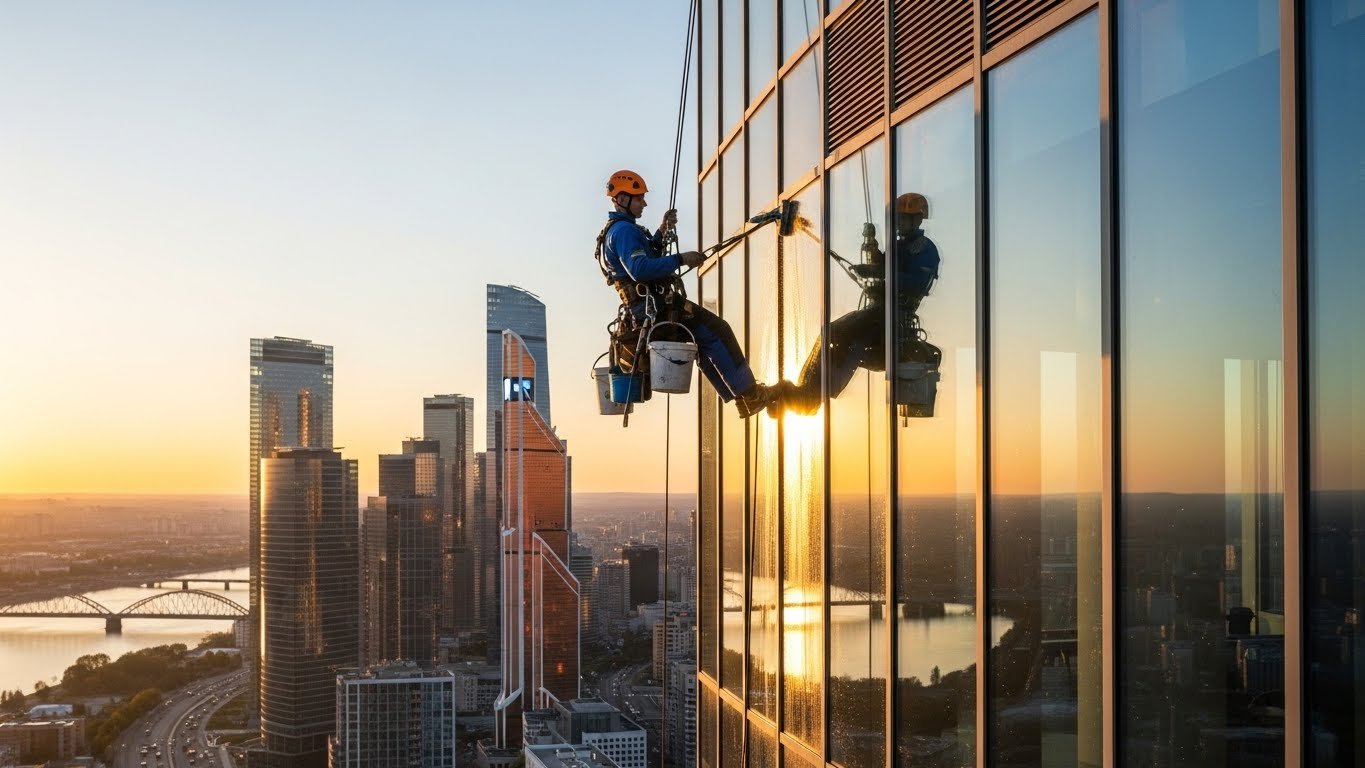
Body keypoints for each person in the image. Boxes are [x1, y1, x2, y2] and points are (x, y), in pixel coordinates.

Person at [595, 169, 775, 418]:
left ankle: (744, 398)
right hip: (656, 307)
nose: (644, 203)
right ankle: (750, 396)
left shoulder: (614, 231)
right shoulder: (624, 231)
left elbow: (643, 260)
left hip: (646, 309)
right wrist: (680, 258)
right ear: (622, 200)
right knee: (717, 331)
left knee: (703, 344)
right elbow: (639, 269)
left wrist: (660, 232)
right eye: (639, 198)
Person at [775, 192, 940, 414]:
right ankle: (805, 392)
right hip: (880, 311)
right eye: (897, 219)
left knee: (840, 336)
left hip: (891, 315)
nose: (898, 225)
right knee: (829, 334)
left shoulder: (923, 248)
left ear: (917, 219)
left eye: (902, 219)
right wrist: (871, 247)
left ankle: (809, 399)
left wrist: (881, 273)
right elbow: (882, 267)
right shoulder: (899, 247)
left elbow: (916, 282)